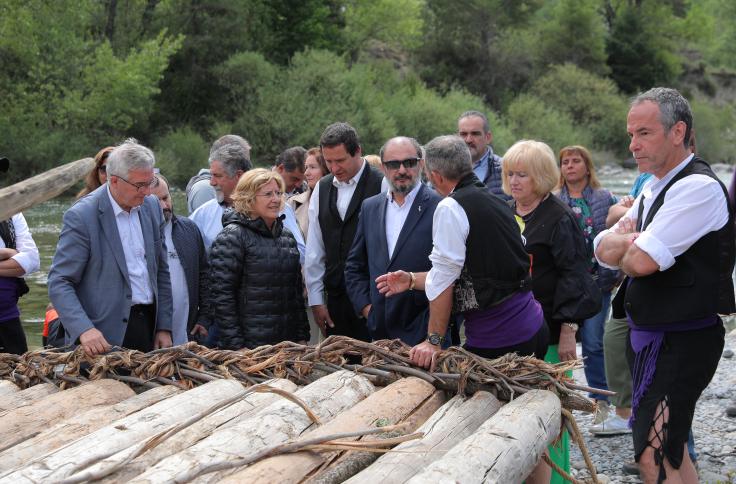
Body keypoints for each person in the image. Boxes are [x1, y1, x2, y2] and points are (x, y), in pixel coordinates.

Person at [375, 135, 550, 483]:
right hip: (531, 326)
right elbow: (466, 273)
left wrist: (434, 340)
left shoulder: (451, 207)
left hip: (500, 341)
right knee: (528, 430)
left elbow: (445, 281)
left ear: (434, 174)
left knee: (496, 436)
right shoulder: (493, 200)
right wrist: (410, 280)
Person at [595, 87, 734, 484]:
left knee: (656, 455)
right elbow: (601, 246)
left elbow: (639, 262)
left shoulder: (698, 187)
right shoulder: (654, 186)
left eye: (644, 133)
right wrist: (625, 242)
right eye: (630, 134)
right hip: (652, 338)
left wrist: (627, 245)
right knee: (665, 453)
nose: (632, 144)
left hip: (682, 341)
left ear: (678, 132)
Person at [503, 139, 601, 484]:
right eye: (511, 174)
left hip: (549, 332)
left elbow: (575, 275)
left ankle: (557, 480)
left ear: (542, 177)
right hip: (509, 331)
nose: (515, 181)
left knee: (549, 414)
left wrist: (569, 331)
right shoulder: (504, 210)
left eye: (523, 175)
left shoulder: (560, 217)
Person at [48, 139, 173, 356]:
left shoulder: (152, 207)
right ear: (114, 181)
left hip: (147, 327)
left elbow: (161, 269)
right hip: (100, 335)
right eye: (139, 185)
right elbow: (60, 281)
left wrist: (164, 325)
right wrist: (83, 329)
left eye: (150, 182)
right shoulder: (82, 216)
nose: (146, 192)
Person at [344, 137, 442, 345]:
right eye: (393, 164)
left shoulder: (440, 206)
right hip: (379, 334)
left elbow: (450, 273)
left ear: (421, 164)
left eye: (409, 162)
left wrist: (434, 334)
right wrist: (368, 309)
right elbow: (354, 265)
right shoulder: (370, 207)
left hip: (425, 335)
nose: (402, 170)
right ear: (383, 168)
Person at [208, 168, 309, 349]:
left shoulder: (286, 237)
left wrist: (302, 336)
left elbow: (296, 295)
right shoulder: (232, 237)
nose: (276, 199)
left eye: (278, 193)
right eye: (268, 194)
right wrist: (237, 346)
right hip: (249, 348)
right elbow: (222, 298)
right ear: (249, 197)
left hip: (286, 345)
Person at [305, 122, 385, 341]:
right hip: (336, 303)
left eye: (340, 160)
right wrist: (316, 300)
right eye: (328, 161)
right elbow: (315, 248)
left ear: (357, 151)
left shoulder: (382, 185)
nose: (334, 168)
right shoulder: (322, 188)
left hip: (373, 300)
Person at [556, 145, 618, 421]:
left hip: (597, 282)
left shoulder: (605, 197)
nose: (570, 166)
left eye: (575, 161)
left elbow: (618, 231)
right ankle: (559, 397)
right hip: (565, 284)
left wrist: (619, 273)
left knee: (593, 342)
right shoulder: (556, 199)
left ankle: (600, 400)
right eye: (565, 162)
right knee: (560, 342)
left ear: (587, 166)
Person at [151, 174, 210, 346]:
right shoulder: (137, 234)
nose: (164, 205)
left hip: (188, 332)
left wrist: (205, 317)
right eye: (156, 201)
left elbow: (205, 274)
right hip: (151, 335)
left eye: (165, 197)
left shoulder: (189, 229)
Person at [0, 157, 40, 355]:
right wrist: (9, 254)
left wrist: (13, 256)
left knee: (19, 377)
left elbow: (32, 260)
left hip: (7, 316)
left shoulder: (12, 213)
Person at [457, 110, 509, 200]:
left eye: (475, 134)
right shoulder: (447, 170)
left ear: (488, 137)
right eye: (463, 134)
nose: (468, 140)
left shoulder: (506, 169)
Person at [288, 147, 328, 240]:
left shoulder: (339, 200)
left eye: (312, 167)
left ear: (326, 169)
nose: (306, 173)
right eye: (306, 168)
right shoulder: (293, 203)